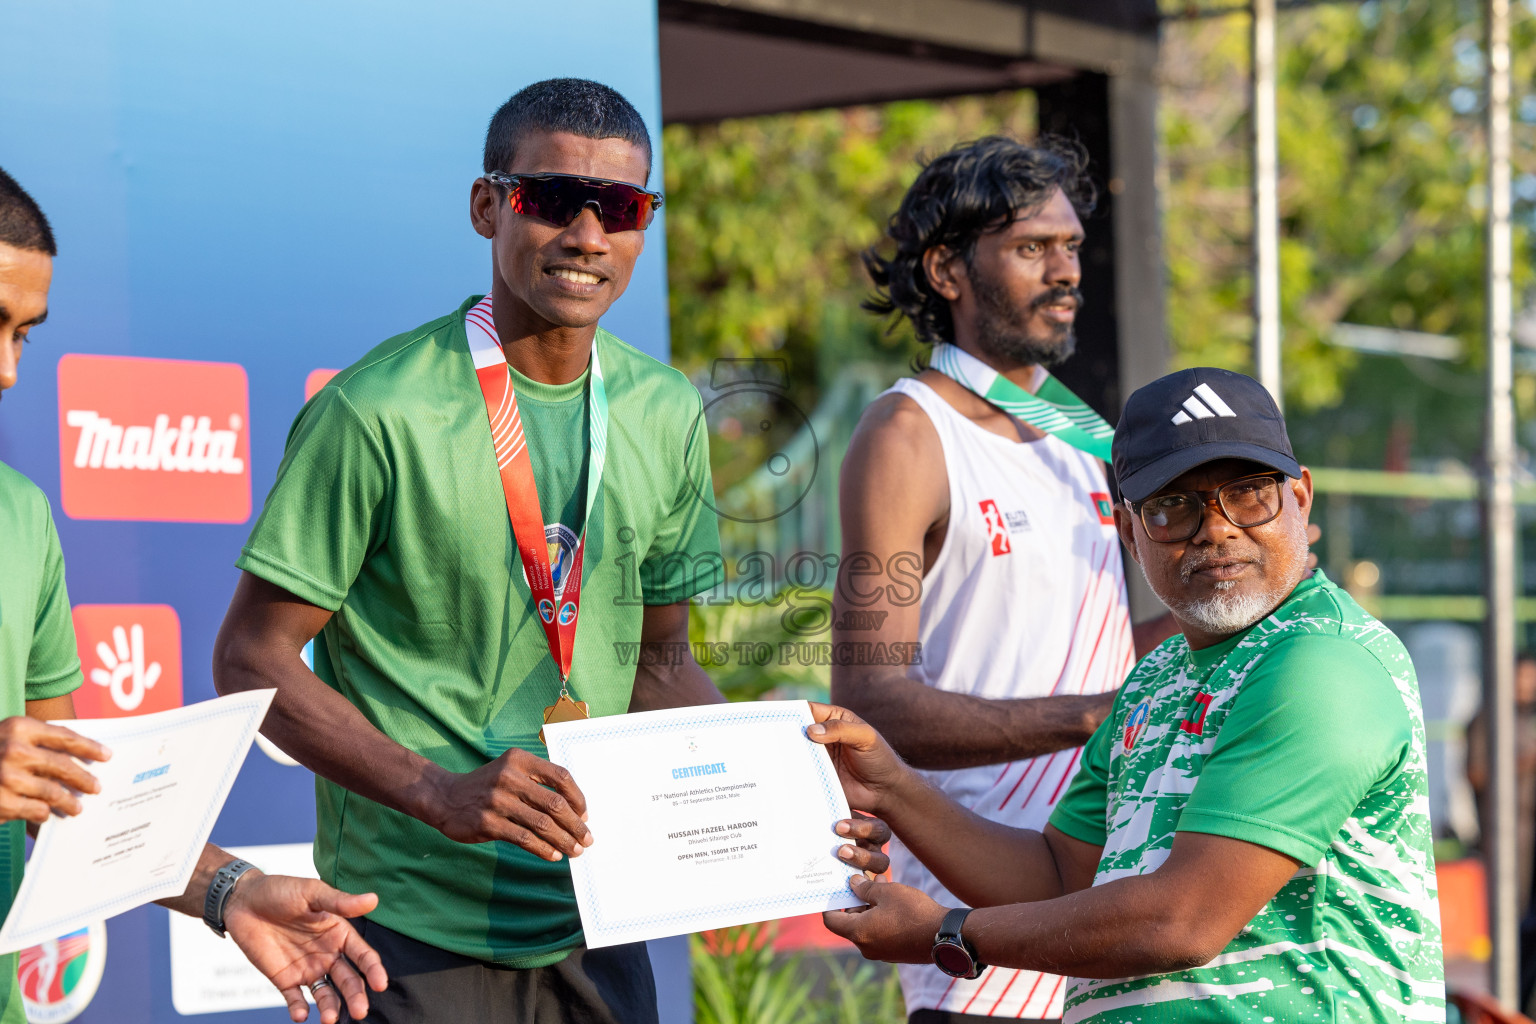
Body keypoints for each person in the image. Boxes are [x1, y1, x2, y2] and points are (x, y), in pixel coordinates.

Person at [211, 78, 891, 1024]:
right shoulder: (377, 410)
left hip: (598, 921)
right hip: (402, 929)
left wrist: (791, 801)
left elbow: (659, 667)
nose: (586, 234)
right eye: (549, 199)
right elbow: (250, 659)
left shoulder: (661, 411)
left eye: (619, 207)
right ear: (489, 205)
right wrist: (438, 791)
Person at [812, 367, 1445, 1023]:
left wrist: (953, 933)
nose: (1216, 529)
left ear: (1302, 498)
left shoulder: (1319, 662)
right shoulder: (1160, 674)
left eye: (1249, 495)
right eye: (1174, 508)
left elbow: (1182, 921)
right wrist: (891, 787)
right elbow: (1060, 876)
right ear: (1127, 530)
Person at [0, 166, 387, 1024]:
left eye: (24, 336)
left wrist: (231, 892)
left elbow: (69, 802)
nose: (7, 372)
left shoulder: (21, 515)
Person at [833, 135, 1175, 1022]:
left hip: (1107, 895)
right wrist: (1098, 720)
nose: (1065, 272)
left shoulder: (1086, 437)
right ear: (947, 270)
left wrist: (1235, 591)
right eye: (1032, 249)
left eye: (1070, 248)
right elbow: (871, 701)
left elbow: (1103, 669)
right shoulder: (908, 434)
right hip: (976, 925)